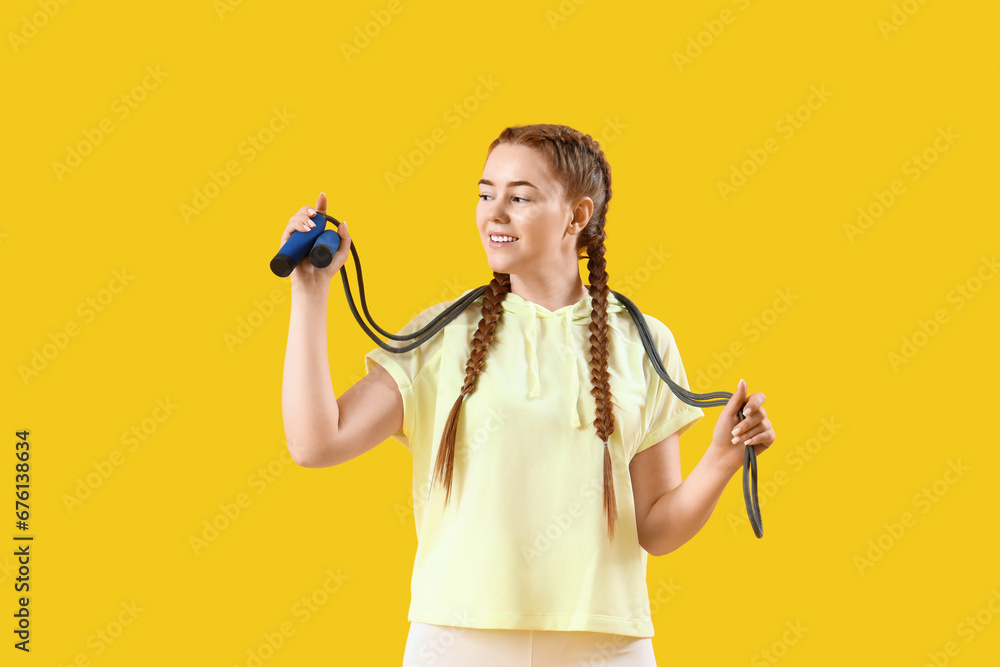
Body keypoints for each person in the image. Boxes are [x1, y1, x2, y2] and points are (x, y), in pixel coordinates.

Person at [279, 123, 777, 666]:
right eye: (486, 193)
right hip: (458, 641)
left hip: (607, 645)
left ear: (577, 217)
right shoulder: (441, 336)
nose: (494, 212)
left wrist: (722, 460)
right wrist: (310, 293)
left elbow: (656, 528)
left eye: (519, 197)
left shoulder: (643, 340)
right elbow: (316, 443)